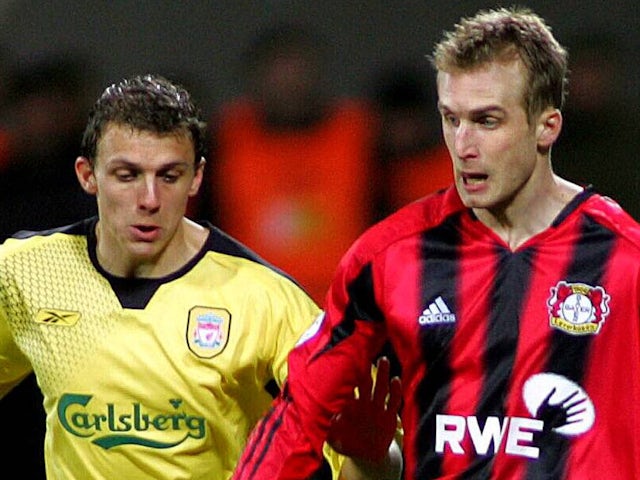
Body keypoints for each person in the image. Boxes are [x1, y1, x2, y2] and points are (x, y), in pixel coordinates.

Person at [232, 6, 640, 479]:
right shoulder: (389, 257)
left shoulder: (624, 259)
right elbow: (298, 416)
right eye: (451, 119)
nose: (463, 144)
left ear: (547, 126)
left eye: (487, 121)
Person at [0, 73, 402, 479]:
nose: (149, 200)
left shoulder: (263, 299)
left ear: (196, 177)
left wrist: (373, 458)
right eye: (127, 176)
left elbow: (374, 462)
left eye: (169, 176)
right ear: (88, 175)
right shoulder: (27, 272)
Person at [194, 23, 378, 305]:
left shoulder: (360, 135)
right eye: (279, 75)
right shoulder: (225, 138)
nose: (290, 86)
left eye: (298, 73)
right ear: (255, 79)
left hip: (346, 307)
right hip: (251, 309)